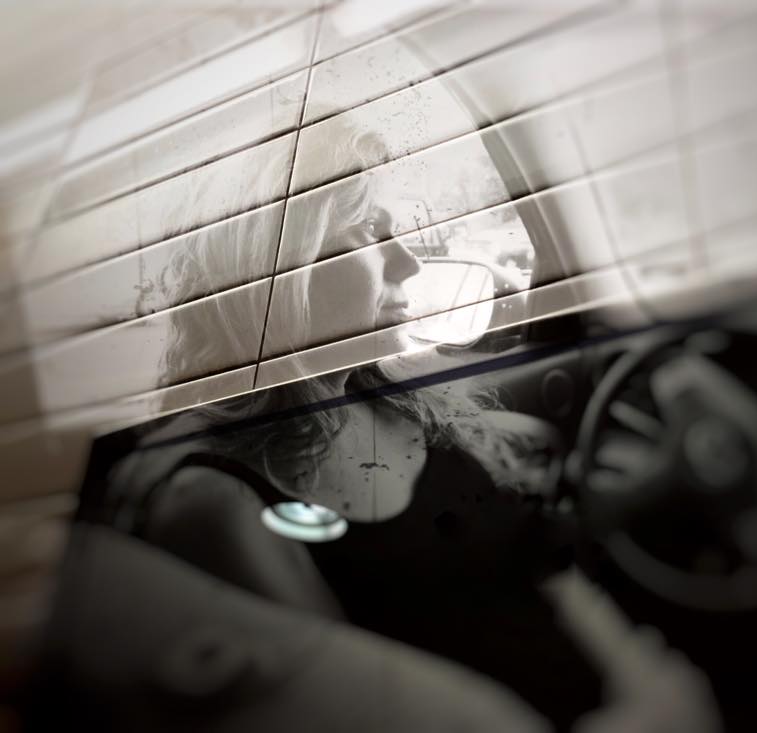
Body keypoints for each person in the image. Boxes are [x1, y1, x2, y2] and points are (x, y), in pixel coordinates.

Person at [33, 129, 721, 732]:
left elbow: (546, 572)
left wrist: (645, 683)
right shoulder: (219, 502)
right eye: (367, 235)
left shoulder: (409, 403)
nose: (409, 263)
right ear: (277, 275)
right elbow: (350, 711)